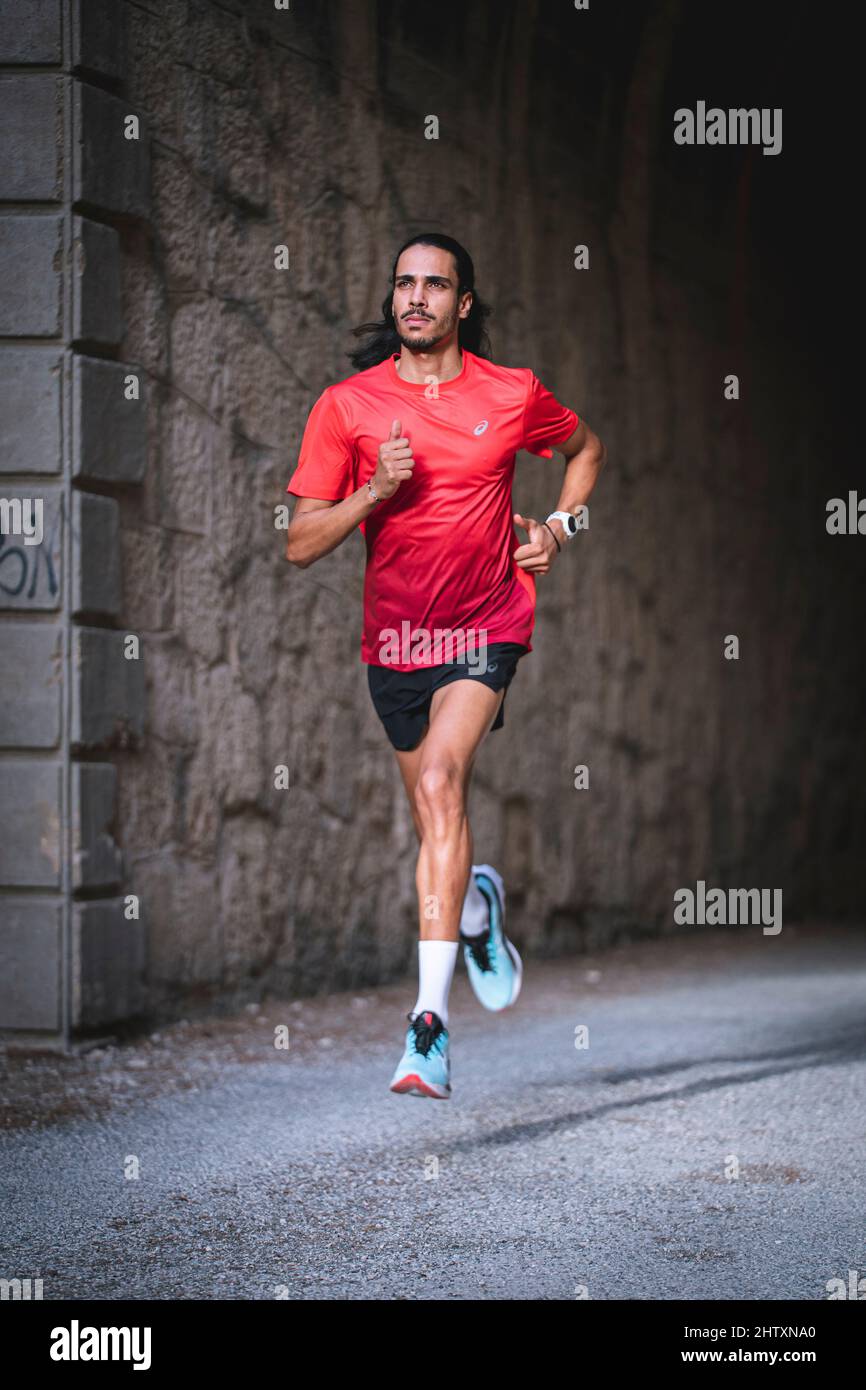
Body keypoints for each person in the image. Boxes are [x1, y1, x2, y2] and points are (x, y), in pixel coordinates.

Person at [285, 233, 606, 1099]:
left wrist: (556, 531)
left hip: (485, 622)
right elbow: (299, 544)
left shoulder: (511, 394)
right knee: (438, 826)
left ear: (464, 304)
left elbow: (585, 450)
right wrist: (370, 492)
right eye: (405, 283)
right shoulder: (346, 407)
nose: (416, 297)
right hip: (396, 643)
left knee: (438, 784)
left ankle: (427, 1028)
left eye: (435, 285)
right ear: (393, 299)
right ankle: (475, 911)